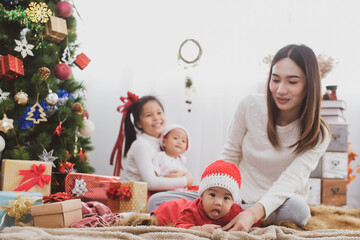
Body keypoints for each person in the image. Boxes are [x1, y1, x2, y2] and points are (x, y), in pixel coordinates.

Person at [147, 44, 331, 232]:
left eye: (292, 82)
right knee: (156, 201)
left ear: (309, 85)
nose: (281, 90)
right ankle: (226, 213)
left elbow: (291, 181)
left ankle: (235, 215)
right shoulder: (249, 105)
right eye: (275, 80)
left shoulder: (319, 133)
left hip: (278, 202)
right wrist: (215, 195)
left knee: (298, 212)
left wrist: (252, 213)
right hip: (232, 196)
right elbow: (230, 155)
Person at [110, 92, 193, 192]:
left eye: (159, 113)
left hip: (160, 195)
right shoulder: (140, 145)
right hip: (141, 200)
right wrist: (185, 180)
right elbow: (151, 183)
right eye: (149, 115)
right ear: (139, 123)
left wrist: (186, 174)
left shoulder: (164, 142)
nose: (156, 118)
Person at [150, 160, 262, 233]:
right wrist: (200, 229)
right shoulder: (192, 210)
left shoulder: (235, 212)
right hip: (177, 208)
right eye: (212, 195)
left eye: (226, 198)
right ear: (202, 196)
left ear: (233, 201)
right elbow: (179, 226)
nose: (218, 202)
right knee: (158, 204)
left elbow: (256, 222)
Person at [152, 124, 191, 190]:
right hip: (166, 192)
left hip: (181, 192)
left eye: (183, 141)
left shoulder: (180, 160)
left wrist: (183, 174)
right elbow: (154, 176)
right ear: (164, 142)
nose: (179, 142)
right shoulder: (160, 156)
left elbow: (187, 175)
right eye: (175, 138)